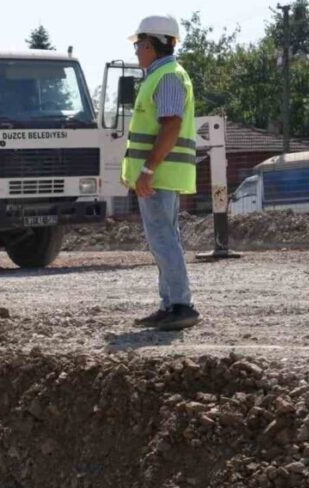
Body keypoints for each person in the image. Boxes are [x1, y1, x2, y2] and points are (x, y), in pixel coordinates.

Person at [122, 15, 201, 331]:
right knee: (164, 239)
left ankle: (181, 305)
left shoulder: (168, 76)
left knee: (163, 239)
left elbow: (171, 125)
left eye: (140, 44)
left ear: (154, 44)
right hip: (159, 174)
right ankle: (170, 304)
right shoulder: (160, 76)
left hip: (159, 175)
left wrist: (147, 169)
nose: (137, 51)